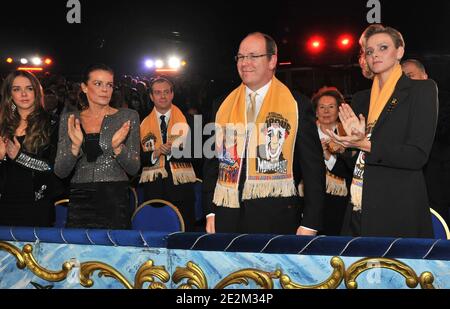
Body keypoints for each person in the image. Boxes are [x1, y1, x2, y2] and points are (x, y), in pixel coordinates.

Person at [203, 32, 325, 235]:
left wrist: (310, 222)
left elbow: (313, 169)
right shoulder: (222, 105)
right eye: (241, 57)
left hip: (277, 219)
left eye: (253, 56)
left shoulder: (296, 106)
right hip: (226, 215)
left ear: (272, 60)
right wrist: (209, 212)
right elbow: (211, 165)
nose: (245, 63)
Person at [328, 25, 438, 238]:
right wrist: (346, 146)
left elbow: (417, 156)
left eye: (383, 47)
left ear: (399, 52)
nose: (375, 54)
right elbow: (355, 161)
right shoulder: (361, 99)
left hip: (399, 207)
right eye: (369, 51)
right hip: (359, 205)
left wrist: (364, 144)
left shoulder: (421, 90)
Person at [54, 64, 140, 229]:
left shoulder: (128, 117)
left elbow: (134, 168)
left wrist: (118, 148)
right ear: (85, 88)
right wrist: (74, 147)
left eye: (109, 85)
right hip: (80, 196)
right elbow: (60, 171)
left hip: (115, 198)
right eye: (98, 84)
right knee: (79, 253)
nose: (105, 89)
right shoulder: (70, 119)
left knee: (114, 253)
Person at [0, 70, 61, 227]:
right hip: (4, 202)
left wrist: (20, 156)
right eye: (17, 89)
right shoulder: (3, 126)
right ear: (9, 94)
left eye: (29, 88)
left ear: (36, 91)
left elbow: (53, 168)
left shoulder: (52, 124)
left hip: (36, 203)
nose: (23, 94)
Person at [139, 77, 197, 231]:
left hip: (182, 190)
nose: (162, 96)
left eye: (166, 92)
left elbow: (199, 156)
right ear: (151, 97)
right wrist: (155, 153)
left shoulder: (189, 121)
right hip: (153, 191)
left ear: (172, 94)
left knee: (184, 240)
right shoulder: (141, 123)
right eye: (158, 93)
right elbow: (136, 159)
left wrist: (173, 152)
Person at [402, 59, 450, 225]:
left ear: (425, 76)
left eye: (410, 75)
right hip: (415, 179)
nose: (407, 81)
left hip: (441, 173)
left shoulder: (442, 100)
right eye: (403, 77)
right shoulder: (397, 107)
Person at [311, 87, 353, 235]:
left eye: (331, 107)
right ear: (316, 112)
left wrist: (327, 155)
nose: (326, 111)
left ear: (338, 111)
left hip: (340, 202)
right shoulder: (307, 135)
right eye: (321, 107)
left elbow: (351, 171)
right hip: (312, 199)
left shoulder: (348, 135)